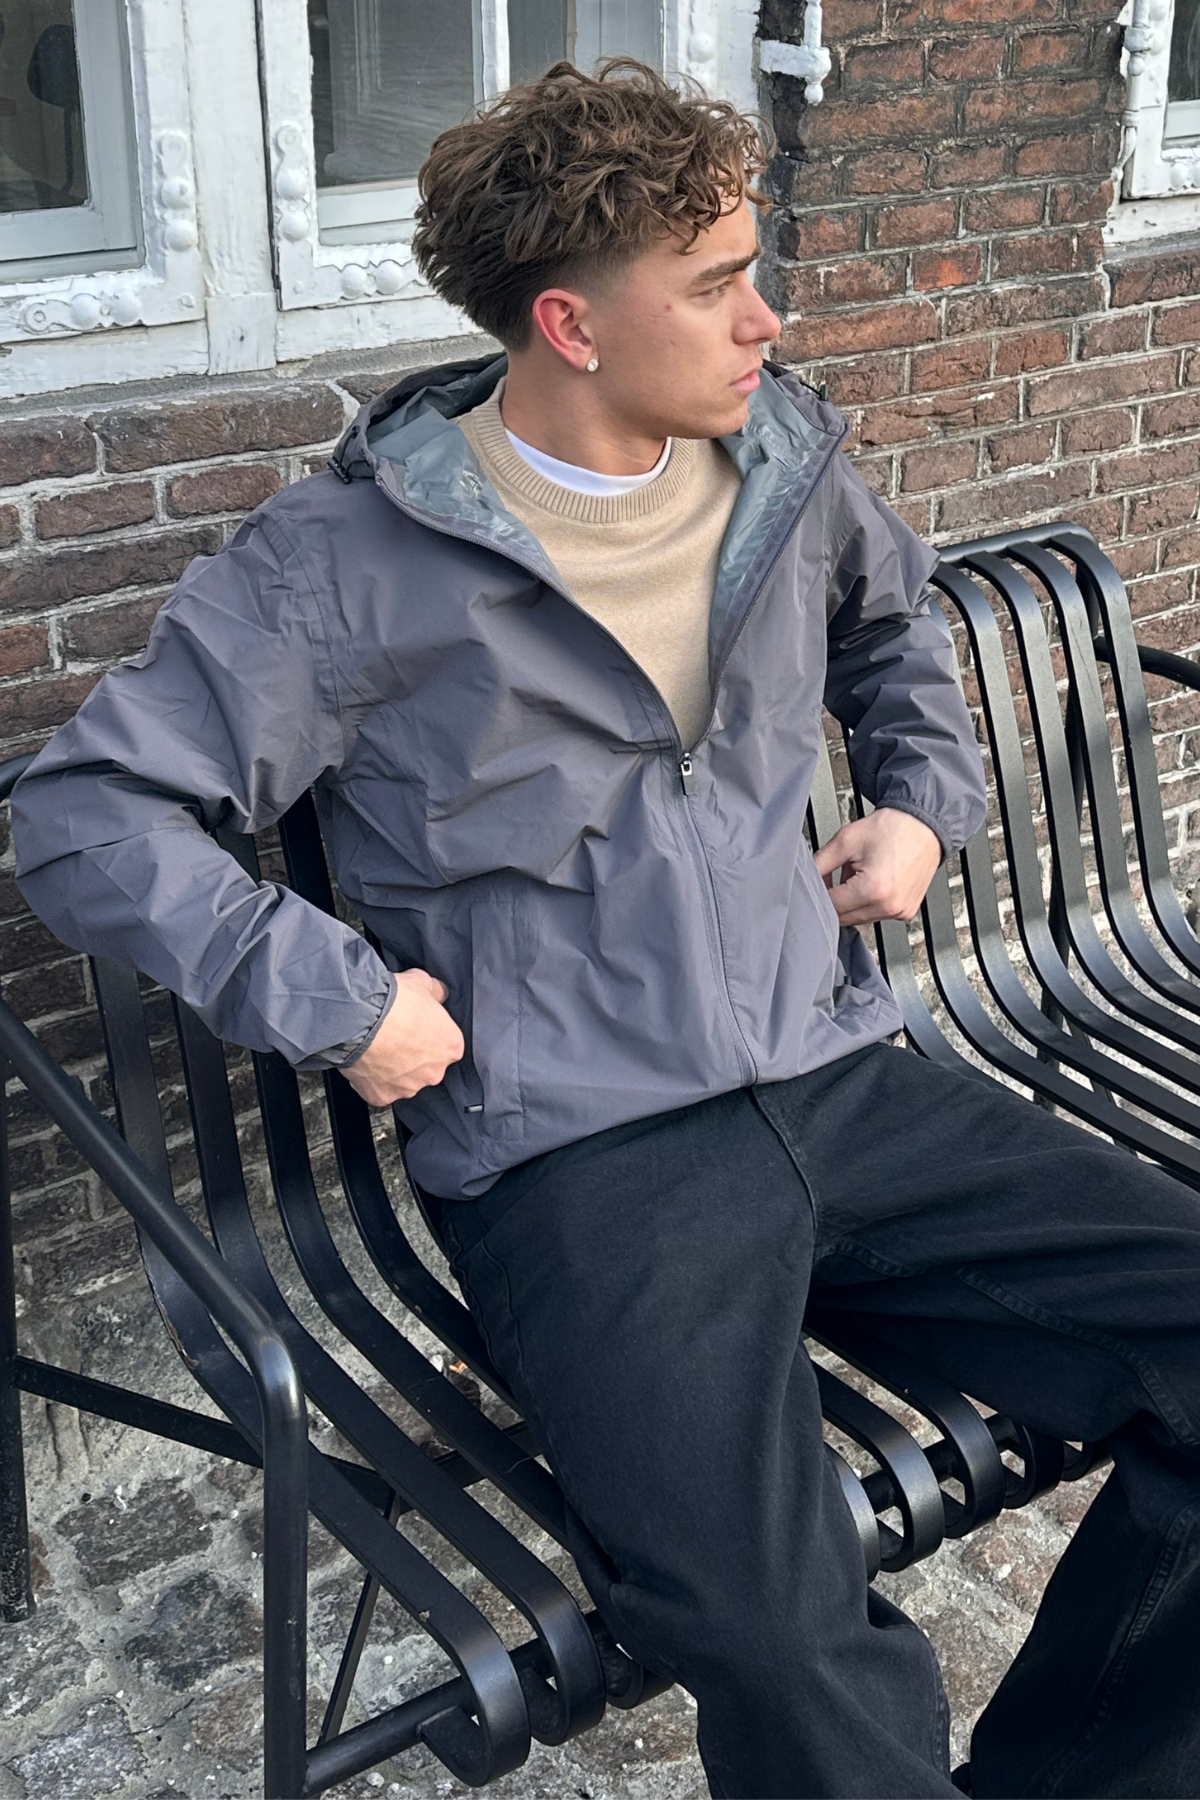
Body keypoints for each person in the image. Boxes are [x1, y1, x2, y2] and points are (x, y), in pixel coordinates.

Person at [12, 58, 1200, 1800]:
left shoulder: (783, 463)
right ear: (569, 324)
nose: (766, 319)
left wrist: (920, 801)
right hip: (583, 1157)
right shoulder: (341, 565)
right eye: (715, 284)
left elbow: (897, 634)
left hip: (839, 1074)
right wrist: (338, 1001)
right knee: (772, 1629)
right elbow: (85, 812)